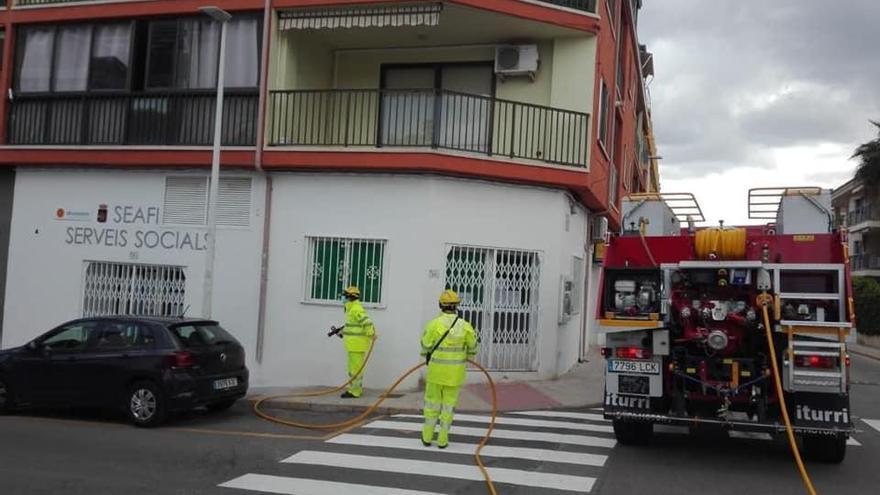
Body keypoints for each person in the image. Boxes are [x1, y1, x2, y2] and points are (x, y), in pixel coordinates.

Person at [420, 289, 478, 448]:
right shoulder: (465, 326)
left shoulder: (433, 324)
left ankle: (426, 437)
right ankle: (442, 440)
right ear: (456, 306)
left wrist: (426, 354)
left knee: (432, 405)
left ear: (440, 305)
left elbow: (425, 345)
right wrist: (467, 356)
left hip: (435, 374)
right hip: (454, 375)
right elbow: (473, 347)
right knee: (448, 407)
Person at [338, 286, 376, 398]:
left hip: (357, 345)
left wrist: (371, 334)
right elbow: (353, 327)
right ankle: (353, 389)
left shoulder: (356, 309)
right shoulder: (351, 309)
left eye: (345, 296)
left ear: (350, 297)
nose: (343, 298)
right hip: (353, 345)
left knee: (355, 370)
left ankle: (355, 391)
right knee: (352, 369)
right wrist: (342, 331)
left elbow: (367, 322)